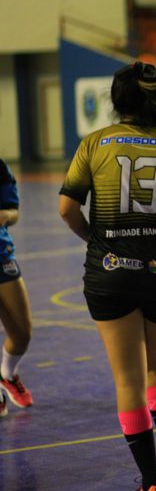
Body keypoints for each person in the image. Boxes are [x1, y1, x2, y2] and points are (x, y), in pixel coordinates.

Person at [59, 53, 156, 491]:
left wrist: (96, 238)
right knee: (153, 364)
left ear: (116, 102)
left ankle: (151, 480)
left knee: (127, 378)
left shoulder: (95, 143)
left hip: (110, 271)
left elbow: (66, 209)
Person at [0, 159, 34, 416]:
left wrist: (4, 216)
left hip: (2, 257)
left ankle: (7, 374)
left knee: (22, 333)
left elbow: (13, 211)